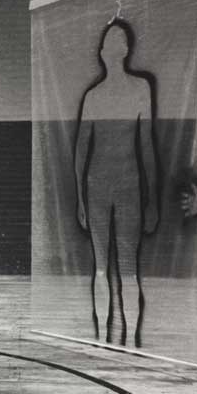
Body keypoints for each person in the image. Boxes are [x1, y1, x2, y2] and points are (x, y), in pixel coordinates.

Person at [74, 19, 159, 347]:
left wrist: (150, 200)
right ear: (102, 52)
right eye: (108, 42)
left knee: (127, 269)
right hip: (97, 188)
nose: (112, 48)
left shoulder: (141, 90)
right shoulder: (93, 97)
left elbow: (147, 147)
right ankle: (101, 340)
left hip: (129, 187)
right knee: (100, 268)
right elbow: (81, 149)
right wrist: (80, 200)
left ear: (125, 50)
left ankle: (132, 343)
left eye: (118, 41)